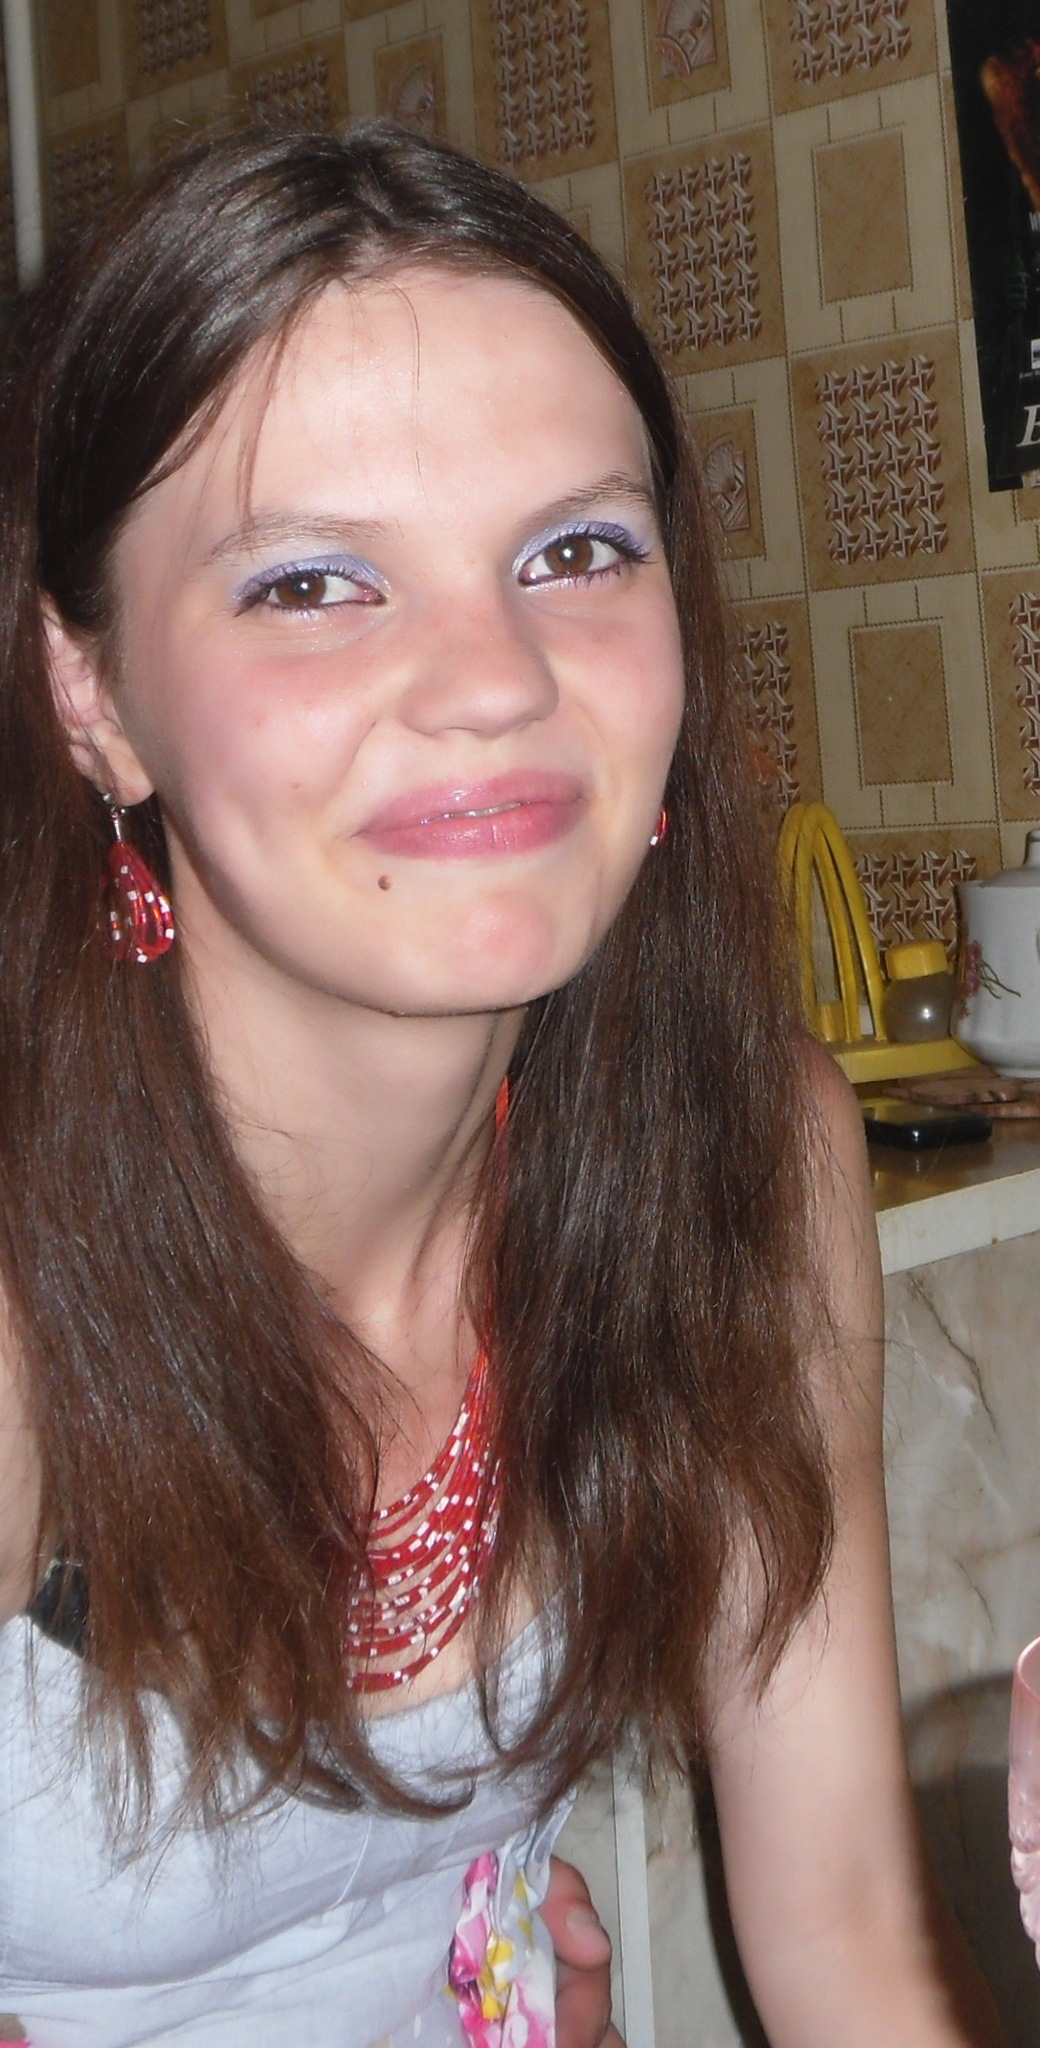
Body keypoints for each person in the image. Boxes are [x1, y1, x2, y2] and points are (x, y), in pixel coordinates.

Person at [0, 122, 1004, 2047]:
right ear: (93, 695)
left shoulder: (742, 1154)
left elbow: (849, 1939)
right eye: (312, 582)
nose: (494, 678)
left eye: (575, 551)